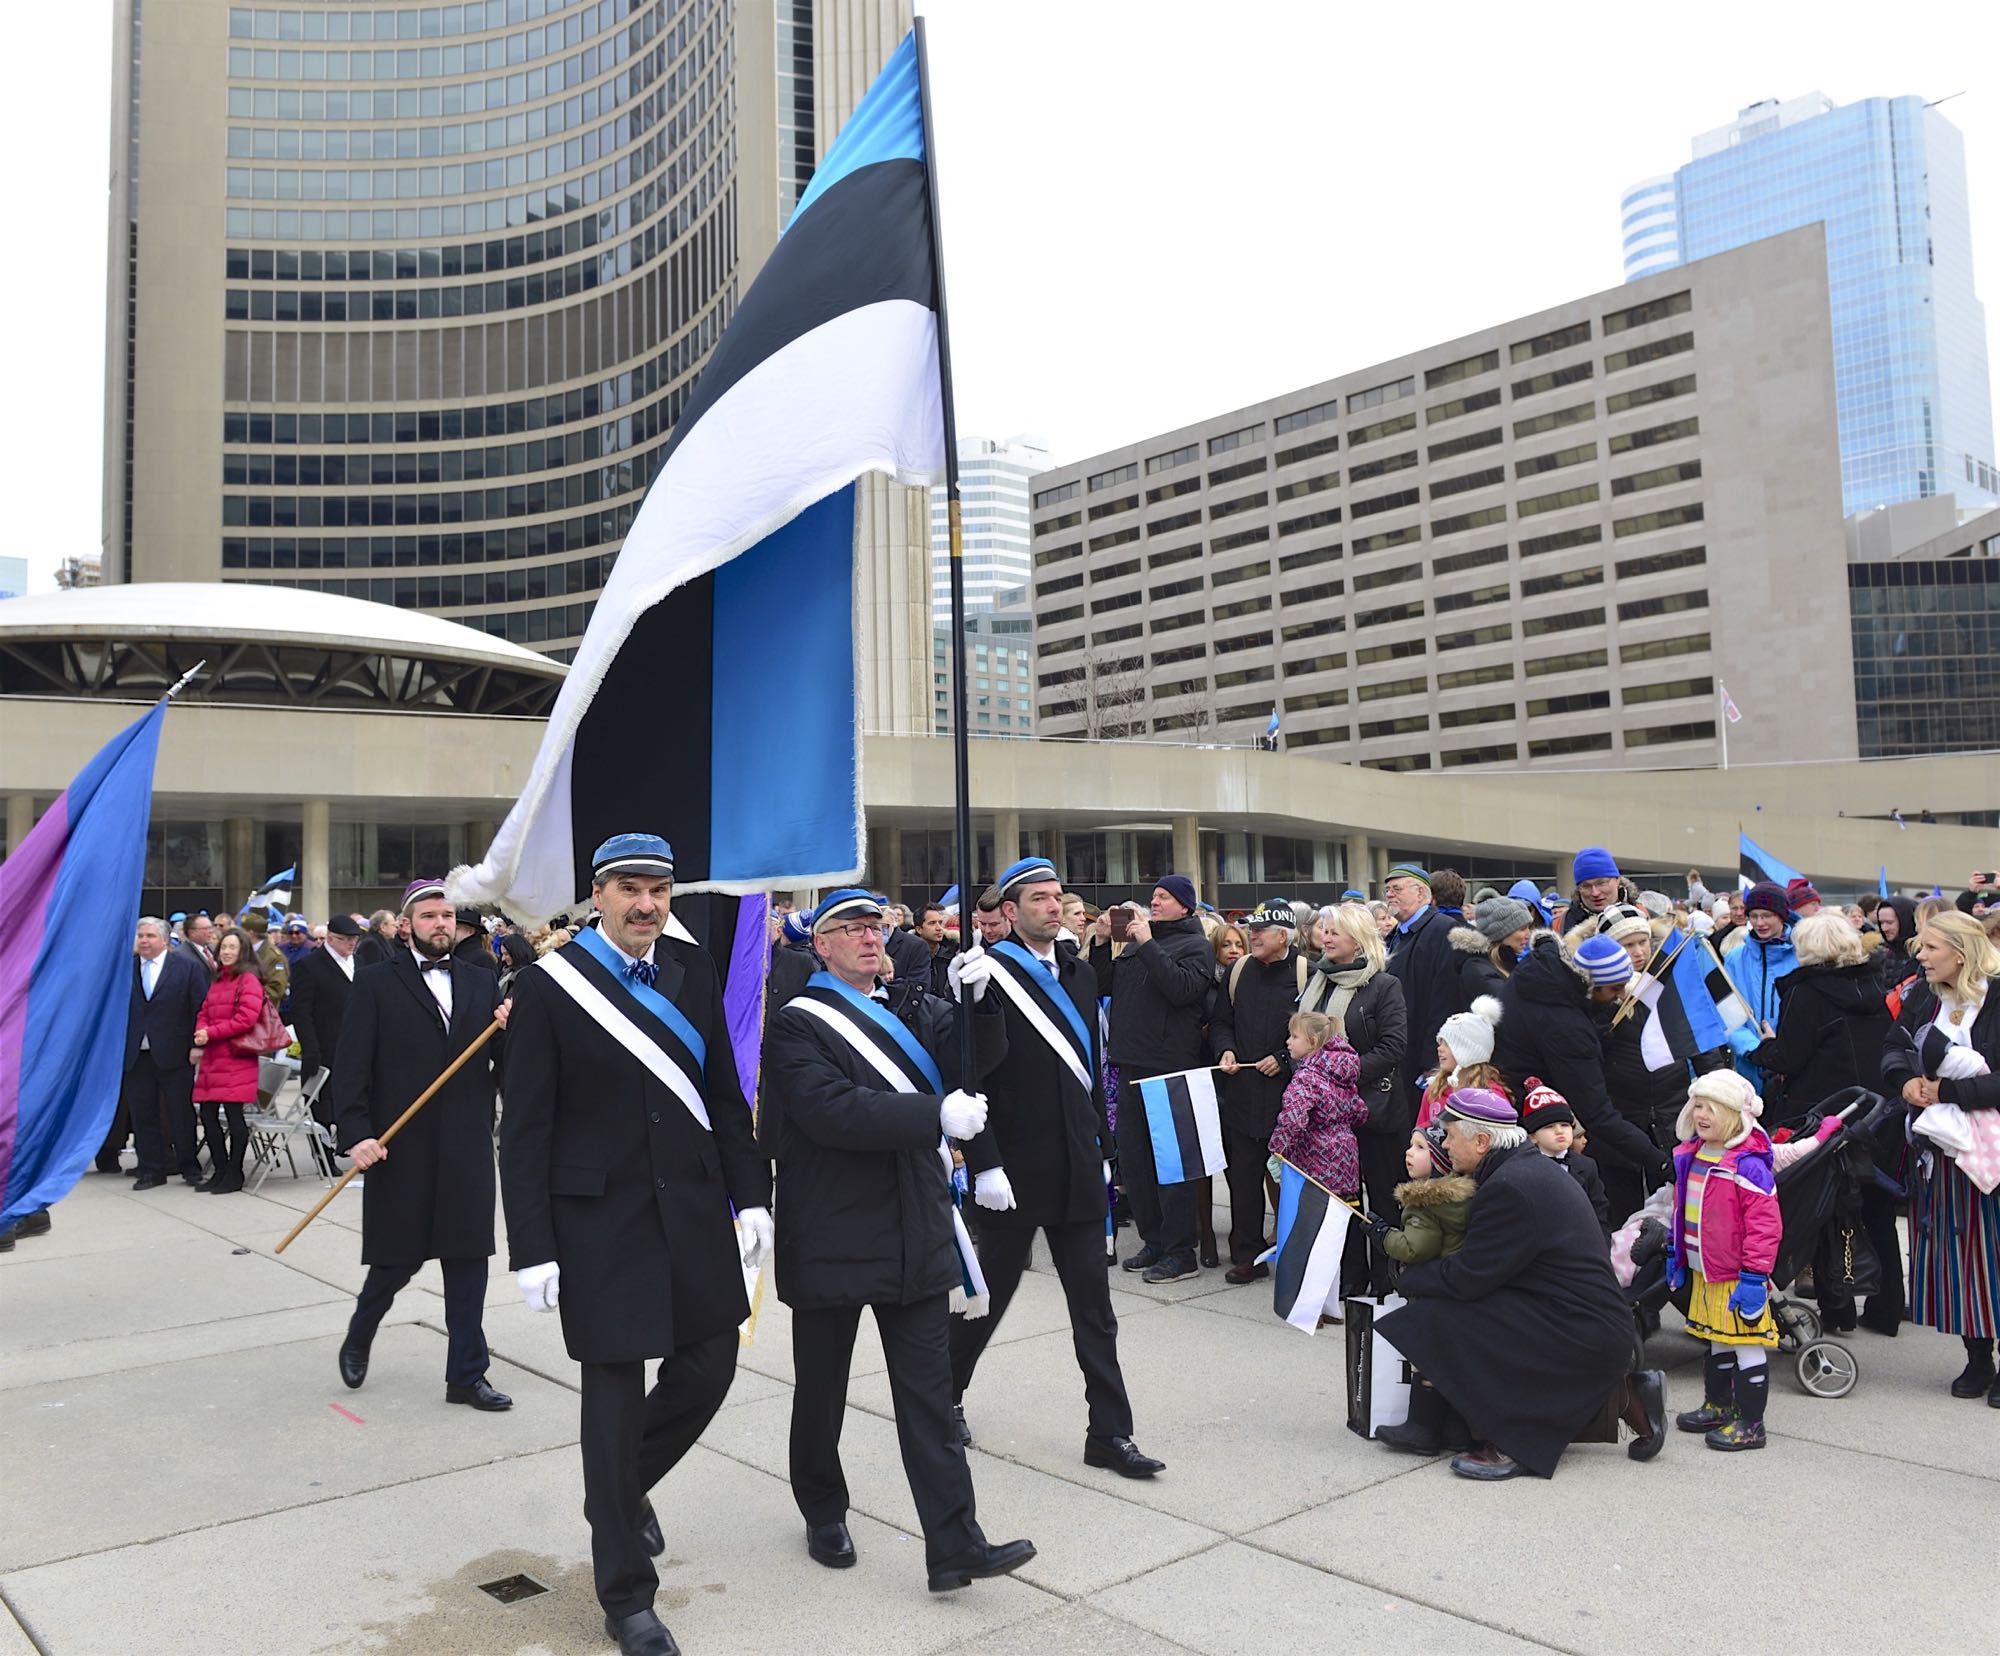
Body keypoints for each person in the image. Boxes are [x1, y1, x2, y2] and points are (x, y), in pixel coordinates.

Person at [500, 835, 770, 1656]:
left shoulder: (693, 972)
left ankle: (613, 1497)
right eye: (629, 888)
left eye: (658, 889)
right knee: (613, 1404)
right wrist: (531, 1245)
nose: (646, 904)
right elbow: (526, 1129)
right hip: (597, 1225)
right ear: (598, 895)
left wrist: (754, 1197)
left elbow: (724, 1096)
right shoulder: (548, 986)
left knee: (710, 1368)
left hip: (691, 1210)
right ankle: (626, 1598)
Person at [761, 888, 1034, 1592]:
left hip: (913, 1225)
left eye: (874, 927)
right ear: (821, 945)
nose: (868, 937)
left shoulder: (914, 1006)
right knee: (822, 1389)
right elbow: (830, 1110)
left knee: (928, 1396)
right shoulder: (797, 1023)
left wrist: (980, 1003)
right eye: (850, 928)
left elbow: (977, 1064)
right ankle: (823, 1508)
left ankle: (955, 1544)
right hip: (832, 1227)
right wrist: (932, 1114)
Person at [946, 857, 1162, 1479]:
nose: (1051, 905)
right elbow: (969, 1078)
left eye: (1055, 896)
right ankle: (944, 1394)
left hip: (1078, 1162)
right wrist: (984, 1165)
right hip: (1014, 1169)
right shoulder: (986, 974)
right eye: (1037, 898)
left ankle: (1110, 1433)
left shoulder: (1080, 973)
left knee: (1095, 1308)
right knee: (987, 1298)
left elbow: (1087, 1068)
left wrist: (1103, 1147)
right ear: (1011, 913)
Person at [1375, 1088, 1660, 1478]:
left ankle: (1514, 1440)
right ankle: (1625, 1396)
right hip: (1585, 1319)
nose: (1446, 1144)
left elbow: (1470, 1277)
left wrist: (1411, 1277)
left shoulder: (1510, 1185)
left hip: (1582, 1328)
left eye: (1451, 1136)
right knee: (1447, 1311)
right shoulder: (1521, 1169)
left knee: (1439, 1316)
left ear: (1482, 1141)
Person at [332, 880, 510, 1413]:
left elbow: (503, 1062)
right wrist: (357, 1134)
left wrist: (511, 1028)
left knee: (468, 1261)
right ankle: (360, 1333)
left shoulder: (482, 981)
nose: (440, 924)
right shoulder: (375, 982)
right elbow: (351, 1065)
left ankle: (467, 1376)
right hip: (400, 1144)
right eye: (429, 916)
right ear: (407, 925)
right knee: (396, 1260)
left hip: (465, 1143)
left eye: (447, 915)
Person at [1879, 910, 2000, 1406]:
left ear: (1961, 952)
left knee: (1995, 1256)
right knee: (1960, 1256)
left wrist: (1948, 1091)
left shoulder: (1997, 997)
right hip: (1941, 1152)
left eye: (1931, 948)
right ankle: (1978, 1357)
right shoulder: (1924, 996)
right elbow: (1893, 1046)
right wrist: (1905, 1082)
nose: (1922, 957)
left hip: (1991, 1151)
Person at [1091, 874, 1216, 1284]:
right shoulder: (1137, 943)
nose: (1155, 901)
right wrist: (1100, 942)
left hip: (1169, 1067)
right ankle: (1155, 1241)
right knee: (1136, 1162)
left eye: (1164, 897)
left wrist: (1146, 943)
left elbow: (1181, 990)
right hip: (1130, 1063)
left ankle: (1181, 1252)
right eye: (1154, 896)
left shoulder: (1195, 945)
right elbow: (1102, 984)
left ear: (1185, 905)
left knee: (1171, 1164)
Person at [1494, 930, 1670, 1192]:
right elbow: (1596, 1113)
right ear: (1591, 986)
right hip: (1532, 1117)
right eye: (1615, 988)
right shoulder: (1567, 1028)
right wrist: (1659, 1161)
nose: (1621, 995)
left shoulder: (1542, 973)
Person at [1666, 1072, 1783, 1451]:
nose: (1700, 1114)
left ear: (1734, 1115)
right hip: (1706, 1269)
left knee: (1746, 1344)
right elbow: (1682, 1207)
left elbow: (1765, 1226)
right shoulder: (1693, 1154)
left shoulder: (1747, 1165)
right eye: (1697, 1105)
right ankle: (1718, 1405)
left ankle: (1751, 1424)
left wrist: (1755, 1276)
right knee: (1717, 1340)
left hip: (1737, 1274)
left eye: (1711, 1108)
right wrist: (1674, 1249)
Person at [1301, 901, 1408, 1287]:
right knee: (1339, 1200)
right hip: (1327, 1114)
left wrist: (1340, 1074)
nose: (1326, 937)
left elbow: (1393, 1047)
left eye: (1335, 931)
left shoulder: (1384, 985)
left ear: (1358, 939)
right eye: (1324, 930)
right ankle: (1349, 1277)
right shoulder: (1317, 982)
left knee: (1382, 1198)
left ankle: (1386, 1280)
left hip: (1372, 1110)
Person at [1210, 899, 1308, 1282]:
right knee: (1244, 1181)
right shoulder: (1239, 971)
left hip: (1290, 1099)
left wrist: (1283, 1058)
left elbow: (1320, 1033)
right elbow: (1221, 1022)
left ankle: (1298, 1257)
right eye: (1251, 929)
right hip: (1242, 1093)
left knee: (1292, 1181)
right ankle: (1247, 1256)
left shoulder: (1306, 973)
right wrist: (1226, 1049)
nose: (1252, 935)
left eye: (1260, 930)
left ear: (1283, 935)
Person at [105, 918, 208, 1186]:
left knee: (180, 1113)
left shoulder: (186, 968)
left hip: (175, 1053)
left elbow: (199, 1008)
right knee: (143, 1114)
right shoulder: (125, 969)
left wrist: (197, 1045)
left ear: (164, 940)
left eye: (150, 935)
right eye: (140, 935)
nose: (144, 940)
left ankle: (189, 1167)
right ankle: (151, 1169)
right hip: (136, 1055)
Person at [1266, 1009, 1366, 1219]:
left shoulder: (1306, 1077)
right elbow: (1360, 1111)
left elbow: (1293, 1120)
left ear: (1312, 1041)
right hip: (1346, 1160)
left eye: (1294, 1037)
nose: (1288, 1042)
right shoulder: (1343, 1074)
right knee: (1340, 1222)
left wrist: (1278, 1151)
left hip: (1315, 1163)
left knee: (1314, 1224)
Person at [191, 927, 267, 1195]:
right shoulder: (218, 978)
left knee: (234, 1116)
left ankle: (235, 1172)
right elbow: (204, 1011)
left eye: (232, 947)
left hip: (236, 1056)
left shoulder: (248, 979)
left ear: (243, 950)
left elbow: (246, 1019)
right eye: (224, 946)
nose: (226, 951)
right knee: (208, 1114)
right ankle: (220, 1169)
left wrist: (210, 1033)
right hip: (214, 1056)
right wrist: (201, 1030)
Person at [1383, 863, 1458, 1114]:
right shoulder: (1396, 935)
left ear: (1421, 893)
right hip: (1399, 1051)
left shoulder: (1442, 930)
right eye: (1387, 890)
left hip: (1420, 1055)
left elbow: (1444, 999)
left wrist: (1432, 1061)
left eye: (1397, 889)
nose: (1389, 895)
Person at [1724, 884, 1800, 1103]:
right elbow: (1726, 1012)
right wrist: (1754, 1049)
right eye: (1754, 916)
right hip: (1748, 1066)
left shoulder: (1802, 955)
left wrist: (1779, 1051)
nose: (1760, 923)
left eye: (1767, 916)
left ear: (1782, 916)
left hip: (1792, 1066)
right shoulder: (1735, 958)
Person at [292, 911, 363, 1137]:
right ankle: (322, 1150)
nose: (351, 943)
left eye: (355, 939)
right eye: (346, 939)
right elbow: (301, 1013)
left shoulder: (361, 963)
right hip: (325, 1047)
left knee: (355, 1103)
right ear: (330, 938)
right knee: (322, 1106)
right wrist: (311, 1049)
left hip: (357, 1047)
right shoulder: (309, 966)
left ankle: (350, 1142)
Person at [1520, 1080, 1609, 1239]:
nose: (1559, 1131)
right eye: (1549, 1127)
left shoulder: (1587, 1166)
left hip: (1583, 1241)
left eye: (1565, 1125)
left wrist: (1602, 1246)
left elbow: (1599, 1212)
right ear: (1533, 1136)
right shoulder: (1523, 1170)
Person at [1415, 997, 1505, 1133]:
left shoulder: (1493, 1097)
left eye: (1448, 1044)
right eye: (1440, 1042)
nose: (1439, 1048)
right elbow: (1420, 1133)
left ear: (1469, 1051)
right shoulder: (1433, 1091)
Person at [1446, 896, 1529, 1001]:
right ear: (1501, 933)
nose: (1528, 934)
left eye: (1528, 927)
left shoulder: (1504, 961)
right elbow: (1510, 1005)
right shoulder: (1479, 970)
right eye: (1522, 929)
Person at [1561, 847, 1633, 944]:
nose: (1595, 893)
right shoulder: (1560, 925)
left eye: (1602, 883)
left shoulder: (1644, 915)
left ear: (1617, 880)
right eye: (1586, 886)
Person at [1875, 895, 1922, 1005]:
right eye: (1881, 923)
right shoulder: (1879, 953)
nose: (1884, 928)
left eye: (1889, 922)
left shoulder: (1921, 954)